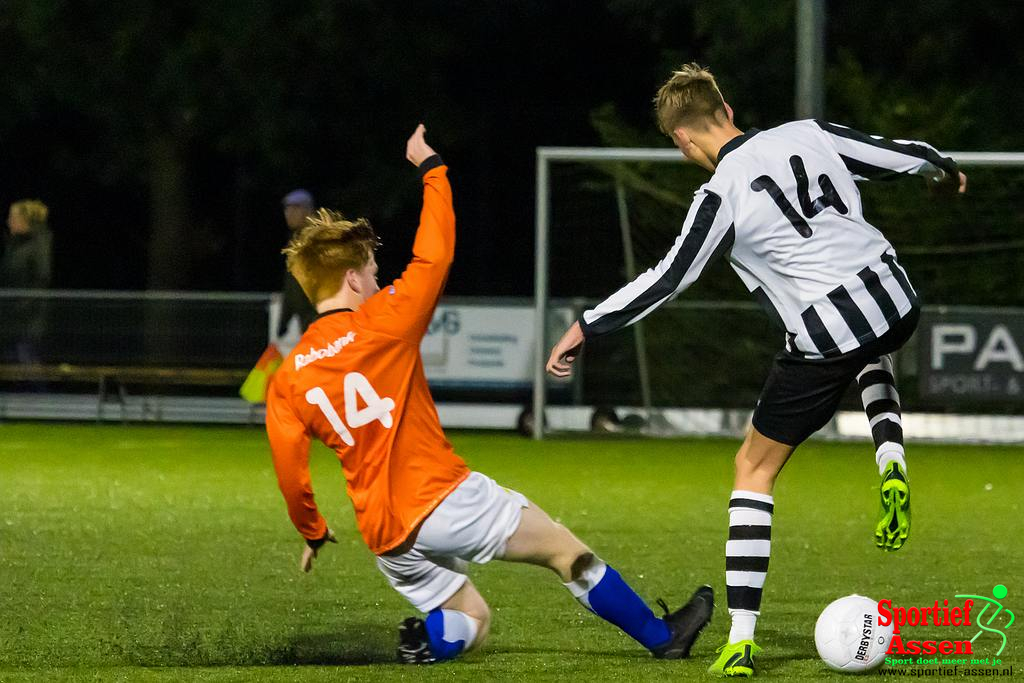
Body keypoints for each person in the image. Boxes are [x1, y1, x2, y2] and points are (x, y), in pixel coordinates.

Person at [545, 64, 967, 677]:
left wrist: (586, 325)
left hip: (827, 329)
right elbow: (900, 153)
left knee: (753, 467)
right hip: (897, 295)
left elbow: (669, 277)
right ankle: (891, 459)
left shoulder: (720, 195)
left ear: (684, 141)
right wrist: (943, 169)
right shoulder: (807, 133)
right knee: (874, 343)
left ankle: (742, 638)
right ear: (729, 109)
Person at [265, 124, 714, 664]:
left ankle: (425, 641)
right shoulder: (383, 320)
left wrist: (312, 530)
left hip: (384, 532)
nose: (381, 282)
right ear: (354, 279)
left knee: (473, 619)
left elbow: (291, 470)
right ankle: (665, 639)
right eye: (375, 272)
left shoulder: (289, 375)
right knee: (566, 553)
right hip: (442, 498)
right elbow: (435, 254)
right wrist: (433, 170)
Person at [1, 200, 53, 363]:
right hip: (11, 321)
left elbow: (41, 279)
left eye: (13, 217)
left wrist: (19, 307)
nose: (9, 221)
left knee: (27, 365)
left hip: (27, 323)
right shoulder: (14, 245)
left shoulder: (39, 243)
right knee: (13, 366)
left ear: (25, 220)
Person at [279, 188, 318, 338]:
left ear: (308, 211)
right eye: (287, 209)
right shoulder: (295, 240)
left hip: (319, 318)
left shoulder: (317, 239)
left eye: (295, 208)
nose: (289, 213)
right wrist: (284, 319)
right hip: (307, 321)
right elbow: (292, 284)